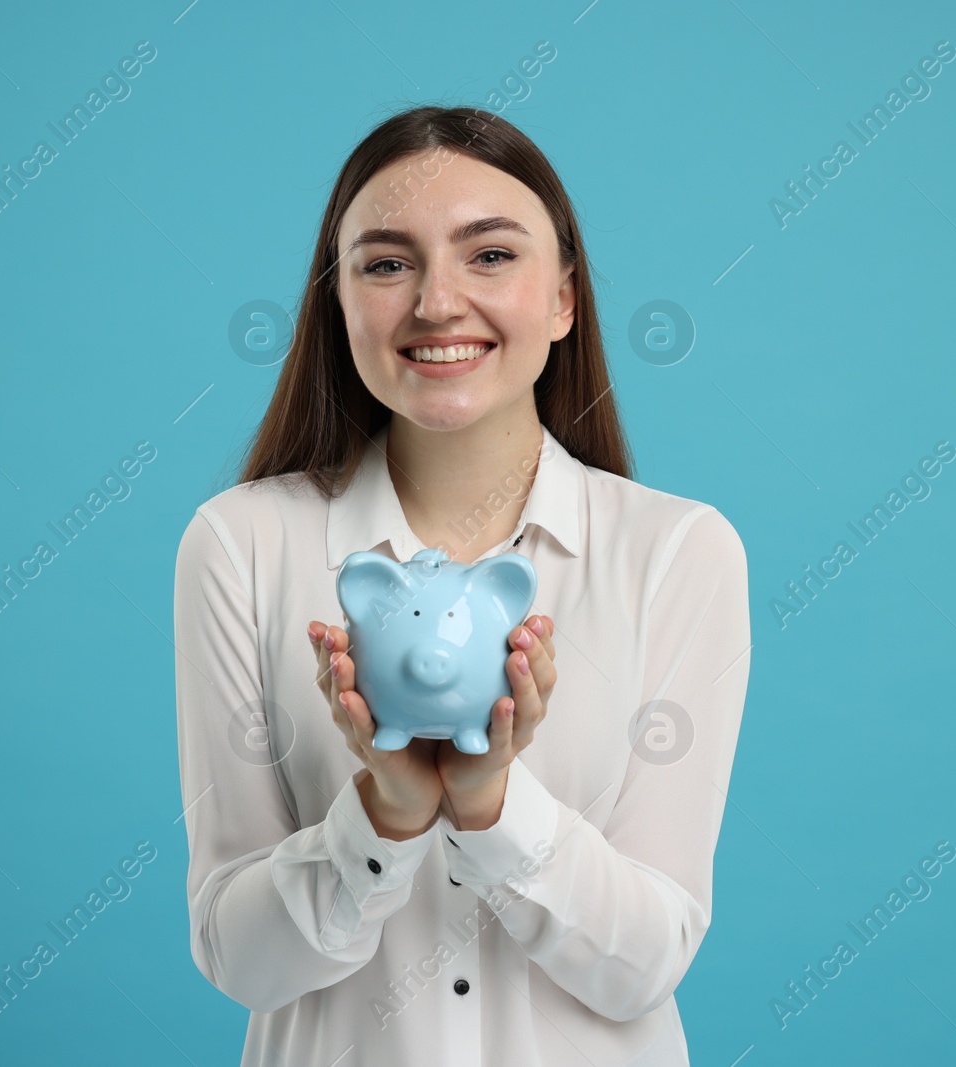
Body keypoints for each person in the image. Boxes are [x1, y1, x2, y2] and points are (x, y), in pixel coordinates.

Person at [174, 104, 751, 1066]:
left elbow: (647, 961)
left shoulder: (678, 550)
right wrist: (384, 816)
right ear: (339, 302)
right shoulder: (241, 544)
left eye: (490, 255)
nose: (438, 303)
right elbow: (239, 957)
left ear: (565, 297)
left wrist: (491, 800)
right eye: (388, 263)